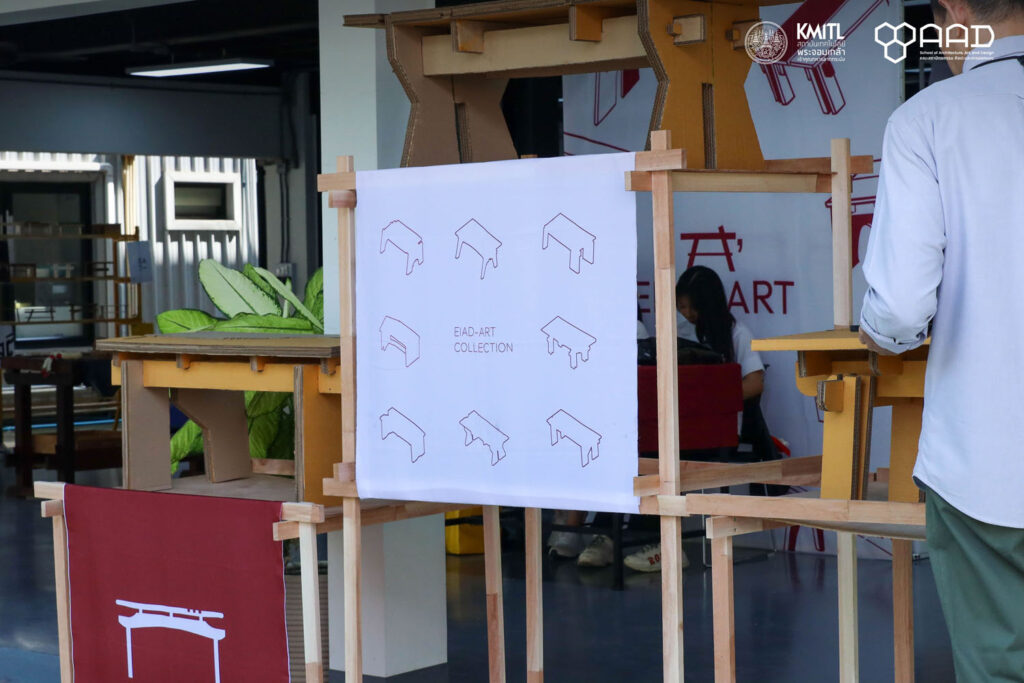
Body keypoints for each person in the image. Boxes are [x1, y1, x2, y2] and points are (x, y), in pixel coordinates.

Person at [858, 0, 1024, 677]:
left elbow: (900, 310)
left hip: (986, 465)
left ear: (953, 11)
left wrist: (873, 331)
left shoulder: (927, 119)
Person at [625, 265, 768, 572]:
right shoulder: (682, 332)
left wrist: (709, 397)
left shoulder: (737, 333)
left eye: (691, 307)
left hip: (718, 430)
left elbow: (755, 383)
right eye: (681, 307)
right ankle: (639, 538)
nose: (686, 313)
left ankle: (665, 545)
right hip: (683, 425)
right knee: (644, 452)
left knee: (665, 457)